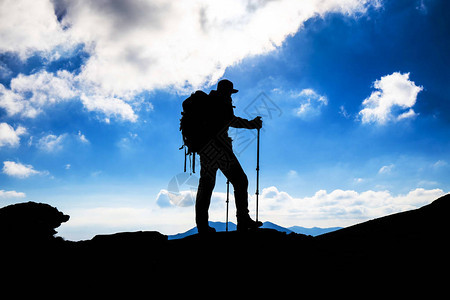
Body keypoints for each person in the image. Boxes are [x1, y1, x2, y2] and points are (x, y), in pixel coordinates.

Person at [195, 79, 263, 234]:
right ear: (226, 91)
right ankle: (243, 221)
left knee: (206, 186)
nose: (231, 95)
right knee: (240, 180)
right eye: (230, 92)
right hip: (220, 150)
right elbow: (231, 121)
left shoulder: (208, 102)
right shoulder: (221, 101)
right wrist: (252, 124)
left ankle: (202, 226)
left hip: (206, 150)